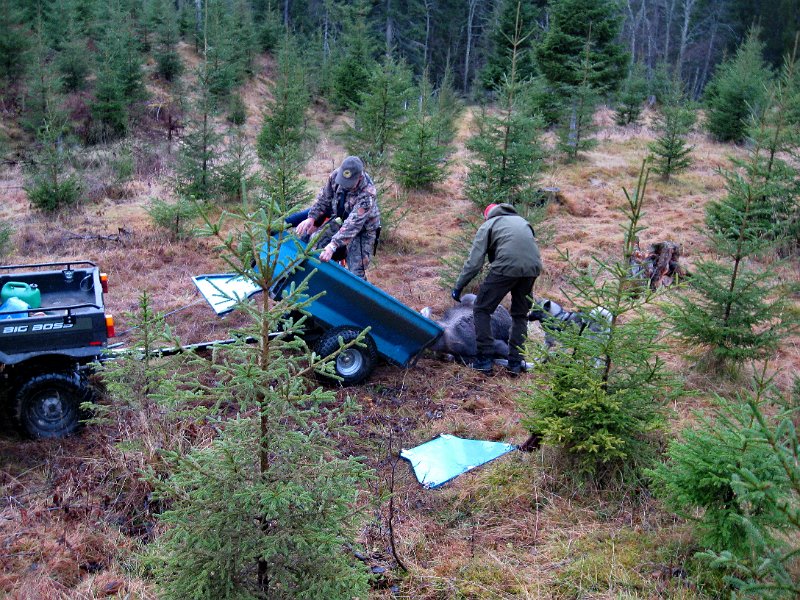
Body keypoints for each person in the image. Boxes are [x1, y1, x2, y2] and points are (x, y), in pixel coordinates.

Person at [452, 203, 542, 374]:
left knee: (481, 308)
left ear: (487, 215)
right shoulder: (523, 221)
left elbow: (474, 262)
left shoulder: (489, 225)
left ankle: (484, 359)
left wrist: (459, 286)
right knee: (520, 315)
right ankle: (515, 363)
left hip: (505, 268)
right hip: (532, 268)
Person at [294, 156, 381, 279]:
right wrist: (311, 218)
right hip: (340, 220)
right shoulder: (335, 176)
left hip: (363, 231)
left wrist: (332, 245)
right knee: (315, 243)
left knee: (355, 272)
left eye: (349, 183)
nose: (345, 185)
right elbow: (323, 199)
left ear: (359, 178)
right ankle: (318, 281)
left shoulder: (367, 193)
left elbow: (353, 224)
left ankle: (354, 296)